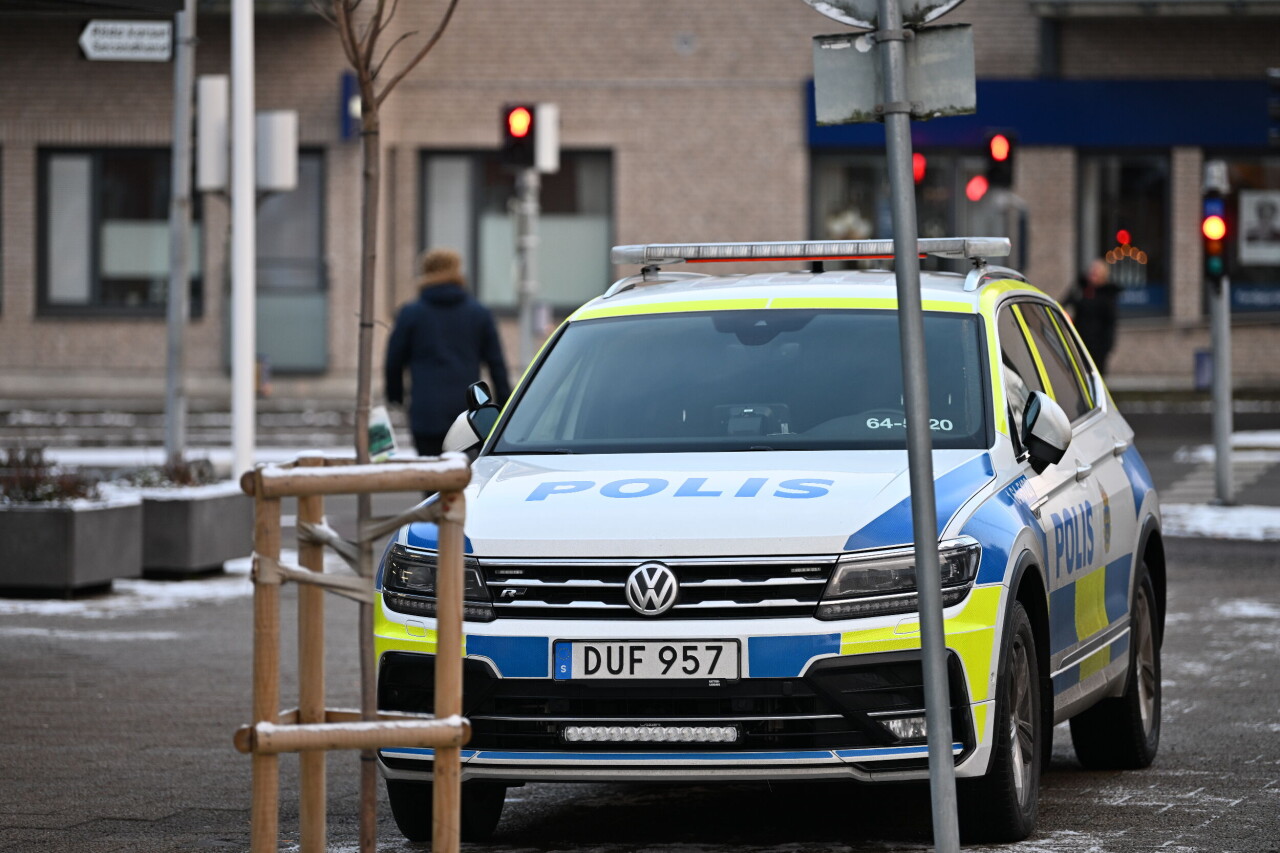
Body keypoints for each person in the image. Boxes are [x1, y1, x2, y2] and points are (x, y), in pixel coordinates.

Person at [384, 248, 512, 457]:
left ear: (425, 273)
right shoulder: (479, 313)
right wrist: (505, 403)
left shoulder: (411, 314)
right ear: (457, 271)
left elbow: (394, 361)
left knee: (432, 478)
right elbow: (496, 363)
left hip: (426, 412)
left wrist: (395, 395)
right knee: (466, 480)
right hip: (468, 415)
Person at [1064, 258, 1120, 376]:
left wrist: (1107, 346)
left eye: (1096, 273)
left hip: (1098, 347)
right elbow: (1064, 305)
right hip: (1078, 341)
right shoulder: (1080, 290)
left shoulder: (1107, 296)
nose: (1093, 274)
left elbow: (1110, 323)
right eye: (1092, 271)